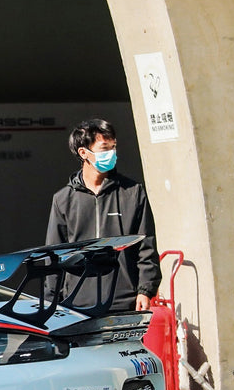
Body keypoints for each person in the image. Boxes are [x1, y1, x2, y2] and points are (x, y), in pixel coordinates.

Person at [46, 118, 160, 313]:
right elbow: (53, 254)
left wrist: (145, 290)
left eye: (114, 147)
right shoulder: (63, 199)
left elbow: (146, 246)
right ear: (84, 153)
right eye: (105, 148)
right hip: (77, 302)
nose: (112, 154)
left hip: (125, 301)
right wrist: (51, 301)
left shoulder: (133, 192)